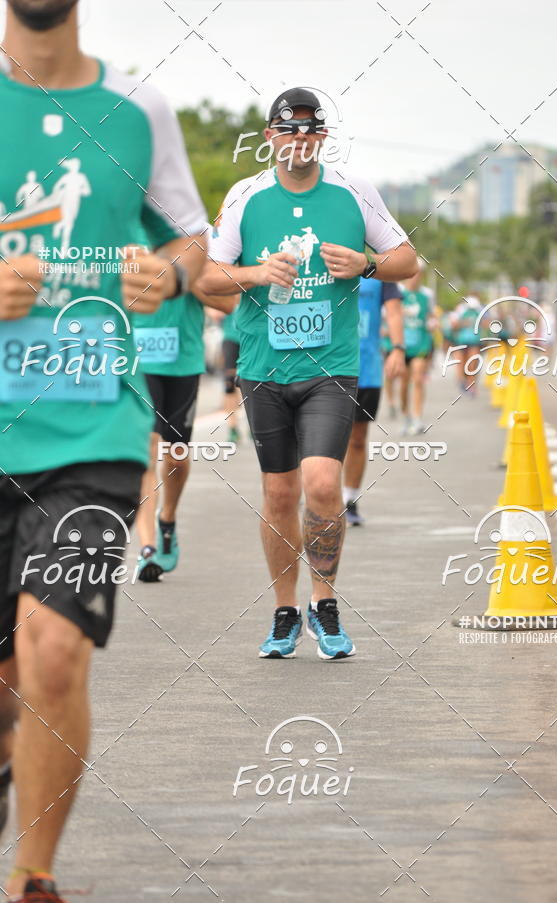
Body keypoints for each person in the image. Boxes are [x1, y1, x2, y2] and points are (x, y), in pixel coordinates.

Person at [0, 2, 207, 900]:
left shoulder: (138, 109)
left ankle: (34, 877)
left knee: (51, 648)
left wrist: (171, 273)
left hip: (94, 427)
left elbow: (191, 240)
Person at [200, 87, 416, 660]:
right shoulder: (245, 196)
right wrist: (257, 271)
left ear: (323, 137)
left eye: (310, 130)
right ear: (270, 137)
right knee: (278, 494)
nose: (300, 140)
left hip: (332, 367)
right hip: (265, 367)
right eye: (288, 130)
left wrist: (366, 263)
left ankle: (325, 605)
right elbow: (206, 280)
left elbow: (408, 260)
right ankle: (284, 611)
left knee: (323, 484)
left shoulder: (353, 192)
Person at [134, 287, 236, 582]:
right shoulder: (130, 246)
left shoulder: (195, 248)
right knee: (148, 449)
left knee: (177, 458)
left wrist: (186, 279)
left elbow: (227, 303)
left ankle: (167, 520)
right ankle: (147, 548)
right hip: (140, 362)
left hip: (184, 362)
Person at [343, 277, 404, 526]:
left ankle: (349, 499)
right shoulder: (325, 259)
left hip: (366, 370)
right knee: (320, 437)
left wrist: (398, 348)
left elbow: (394, 312)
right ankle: (315, 495)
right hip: (326, 368)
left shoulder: (381, 271)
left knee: (357, 439)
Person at [399, 261, 436, 434]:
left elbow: (431, 315)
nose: (415, 278)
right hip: (402, 345)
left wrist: (432, 324)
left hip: (421, 343)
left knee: (418, 378)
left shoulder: (427, 295)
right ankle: (406, 416)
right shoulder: (398, 292)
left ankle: (418, 418)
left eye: (418, 274)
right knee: (404, 383)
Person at [450, 294, 483, 394]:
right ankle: (462, 382)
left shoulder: (479, 310)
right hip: (460, 342)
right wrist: (464, 323)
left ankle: (471, 385)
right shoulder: (460, 310)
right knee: (461, 364)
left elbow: (486, 323)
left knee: (472, 365)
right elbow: (454, 325)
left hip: (474, 342)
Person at [221, 306, 243, 443]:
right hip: (231, 338)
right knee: (229, 383)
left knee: (251, 382)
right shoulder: (228, 286)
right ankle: (233, 428)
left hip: (251, 338)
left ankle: (253, 423)